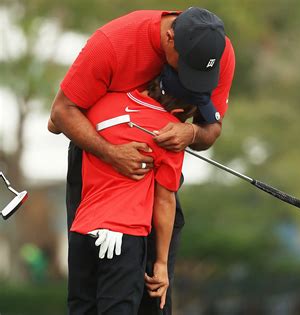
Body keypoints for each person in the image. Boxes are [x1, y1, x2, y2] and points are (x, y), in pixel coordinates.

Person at [48, 7, 235, 314]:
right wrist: (111, 152)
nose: (194, 80)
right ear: (170, 38)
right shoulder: (112, 43)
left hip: (160, 165)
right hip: (95, 162)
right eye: (187, 69)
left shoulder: (218, 50)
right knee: (90, 299)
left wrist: (189, 133)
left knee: (154, 292)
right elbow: (60, 114)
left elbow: (211, 128)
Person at [52, 65, 210, 314]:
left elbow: (55, 122)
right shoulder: (171, 134)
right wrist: (160, 263)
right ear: (179, 111)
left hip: (81, 233)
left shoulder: (103, 101)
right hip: (123, 238)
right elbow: (164, 202)